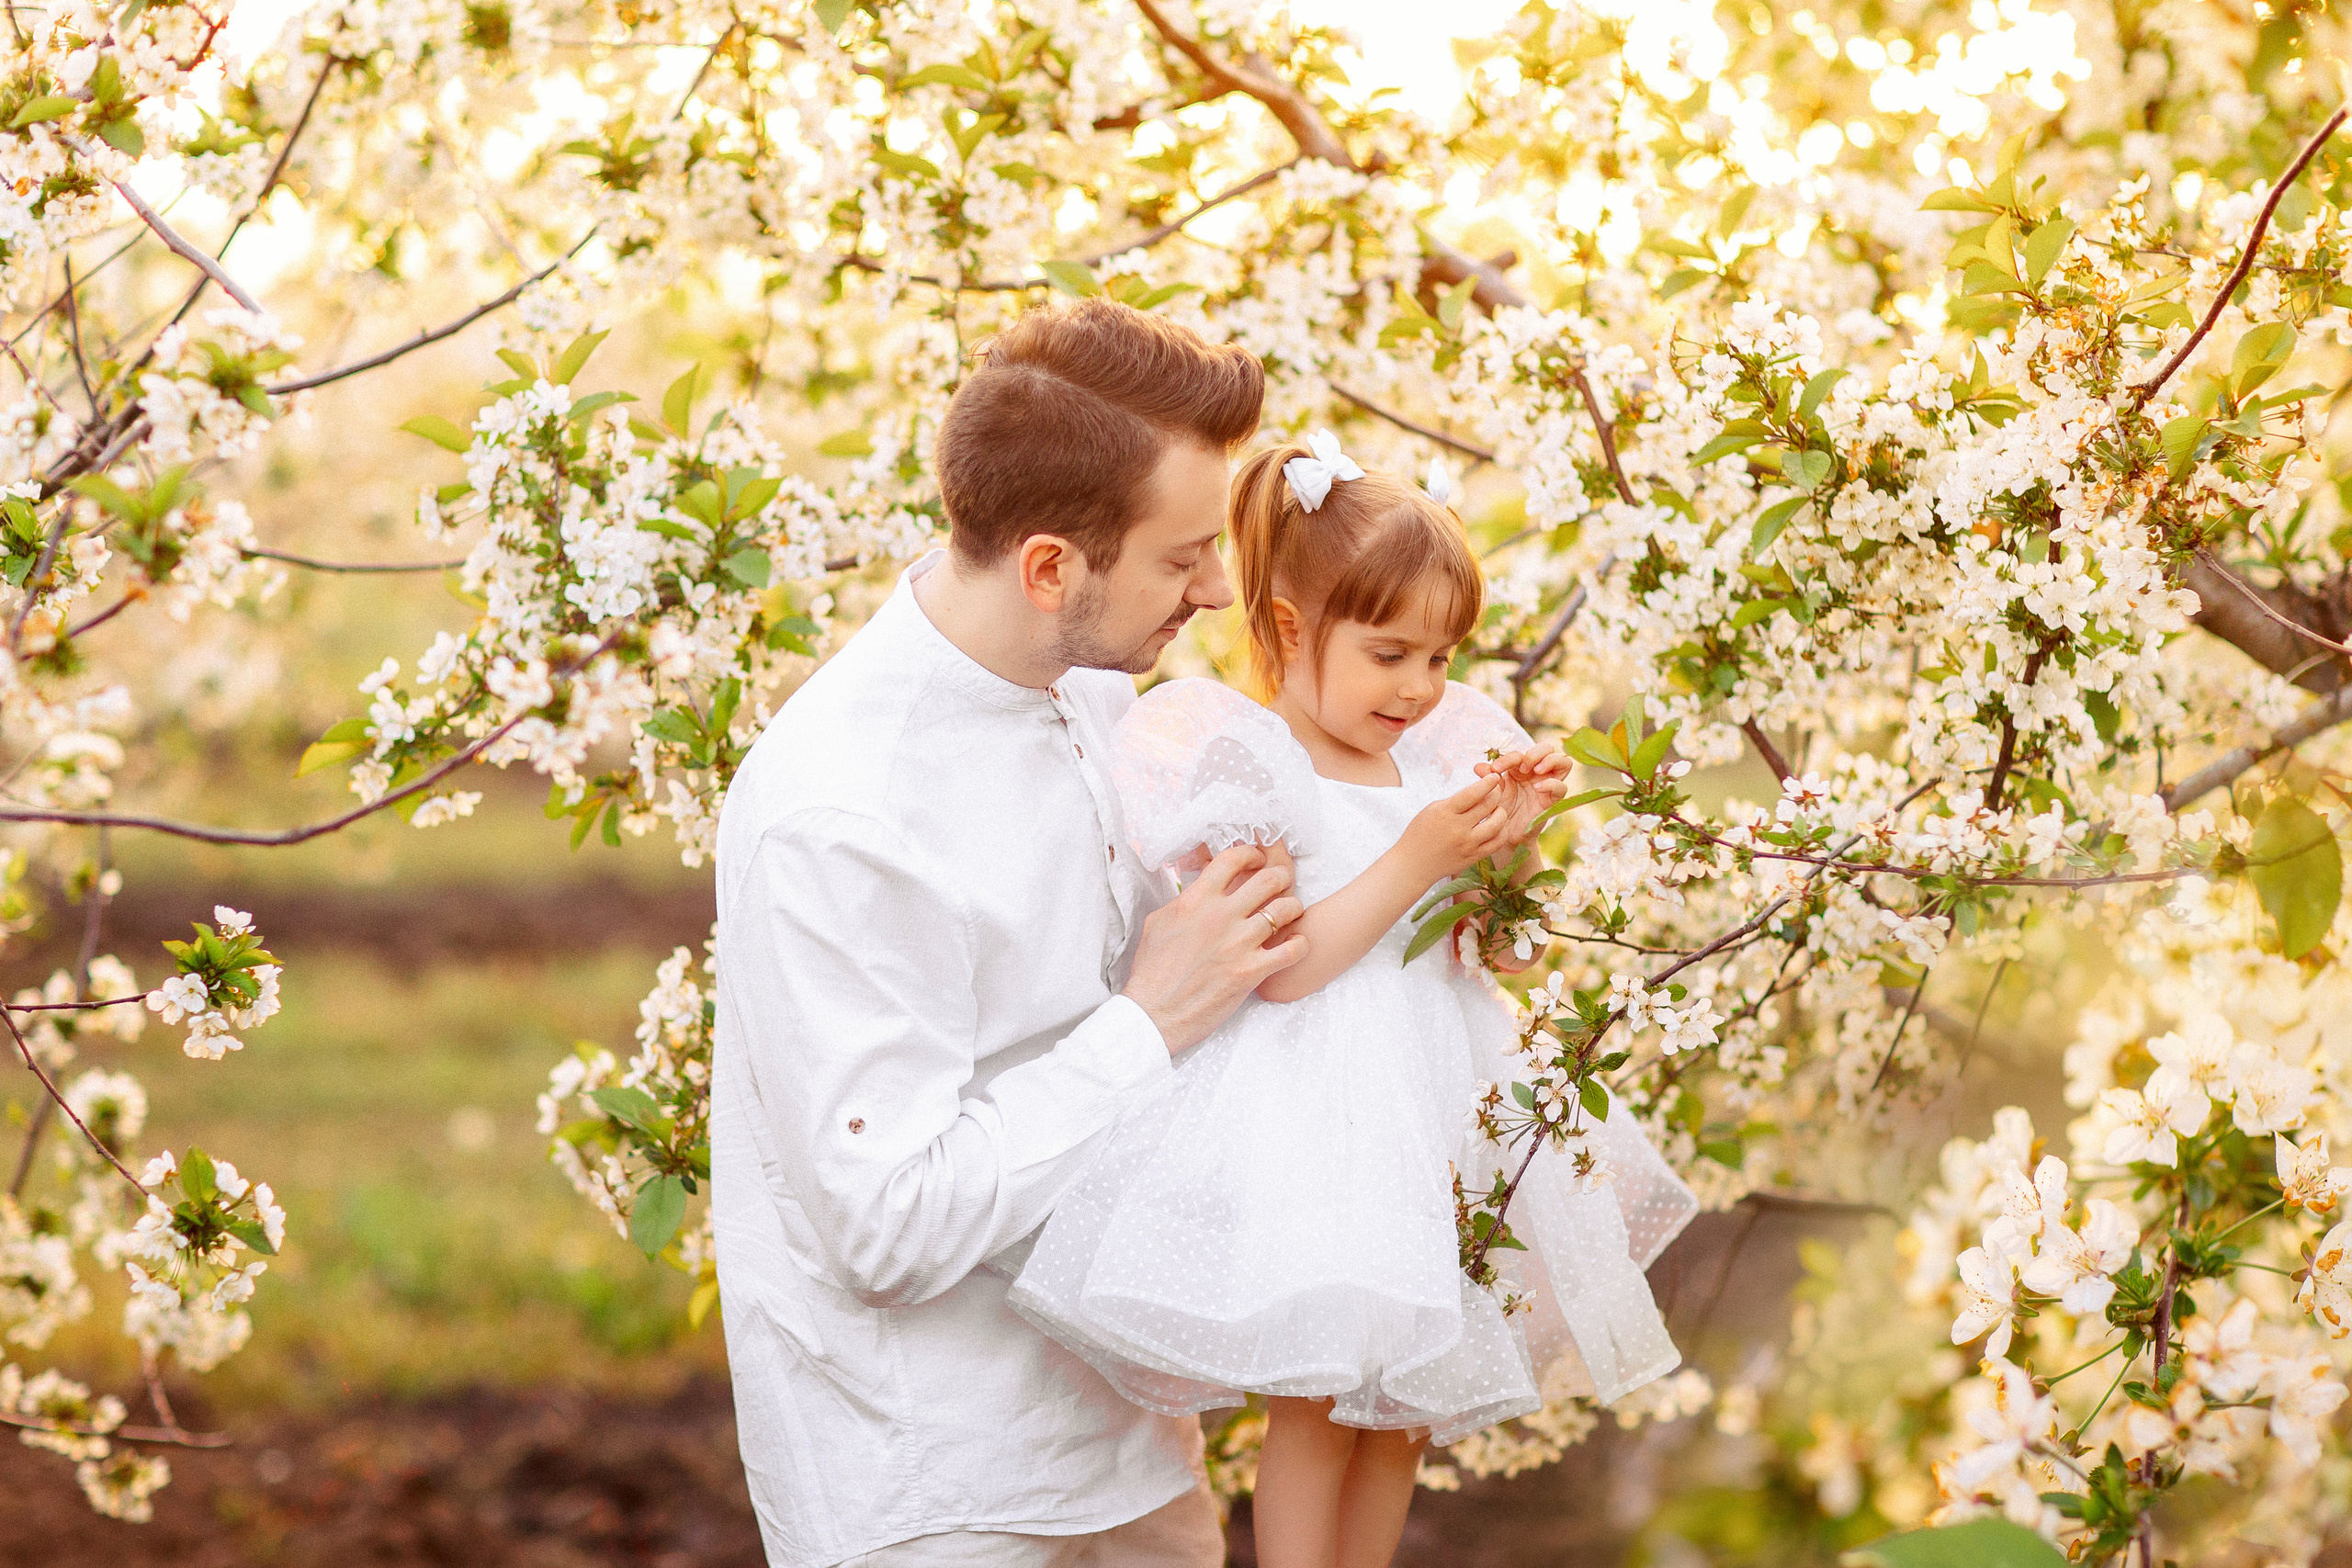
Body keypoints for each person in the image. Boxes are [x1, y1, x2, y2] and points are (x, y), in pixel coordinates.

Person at [1007, 434, 1698, 1568]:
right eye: (1389, 655)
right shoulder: (1254, 760)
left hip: (1437, 1108)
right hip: (1318, 1110)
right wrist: (1420, 857)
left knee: (1402, 1412)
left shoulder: (1436, 762)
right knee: (1321, 1402)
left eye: (1438, 656)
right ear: (1288, 628)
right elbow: (1281, 966)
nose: (1420, 688)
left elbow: (1500, 953)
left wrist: (1506, 857)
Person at [709, 298, 1308, 1568]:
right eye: (1183, 555)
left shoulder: (1094, 692)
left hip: (1135, 1442)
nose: (1215, 588)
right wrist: (1151, 1020)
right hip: (938, 1484)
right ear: (1050, 567)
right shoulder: (839, 812)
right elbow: (887, 1225)